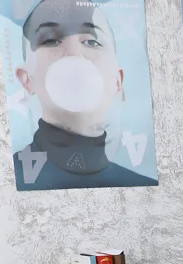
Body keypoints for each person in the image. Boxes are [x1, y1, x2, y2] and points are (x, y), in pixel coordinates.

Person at [11, 0, 157, 190]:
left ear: (117, 81)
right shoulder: (8, 182)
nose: (73, 54)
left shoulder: (145, 188)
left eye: (92, 42)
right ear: (26, 80)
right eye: (51, 40)